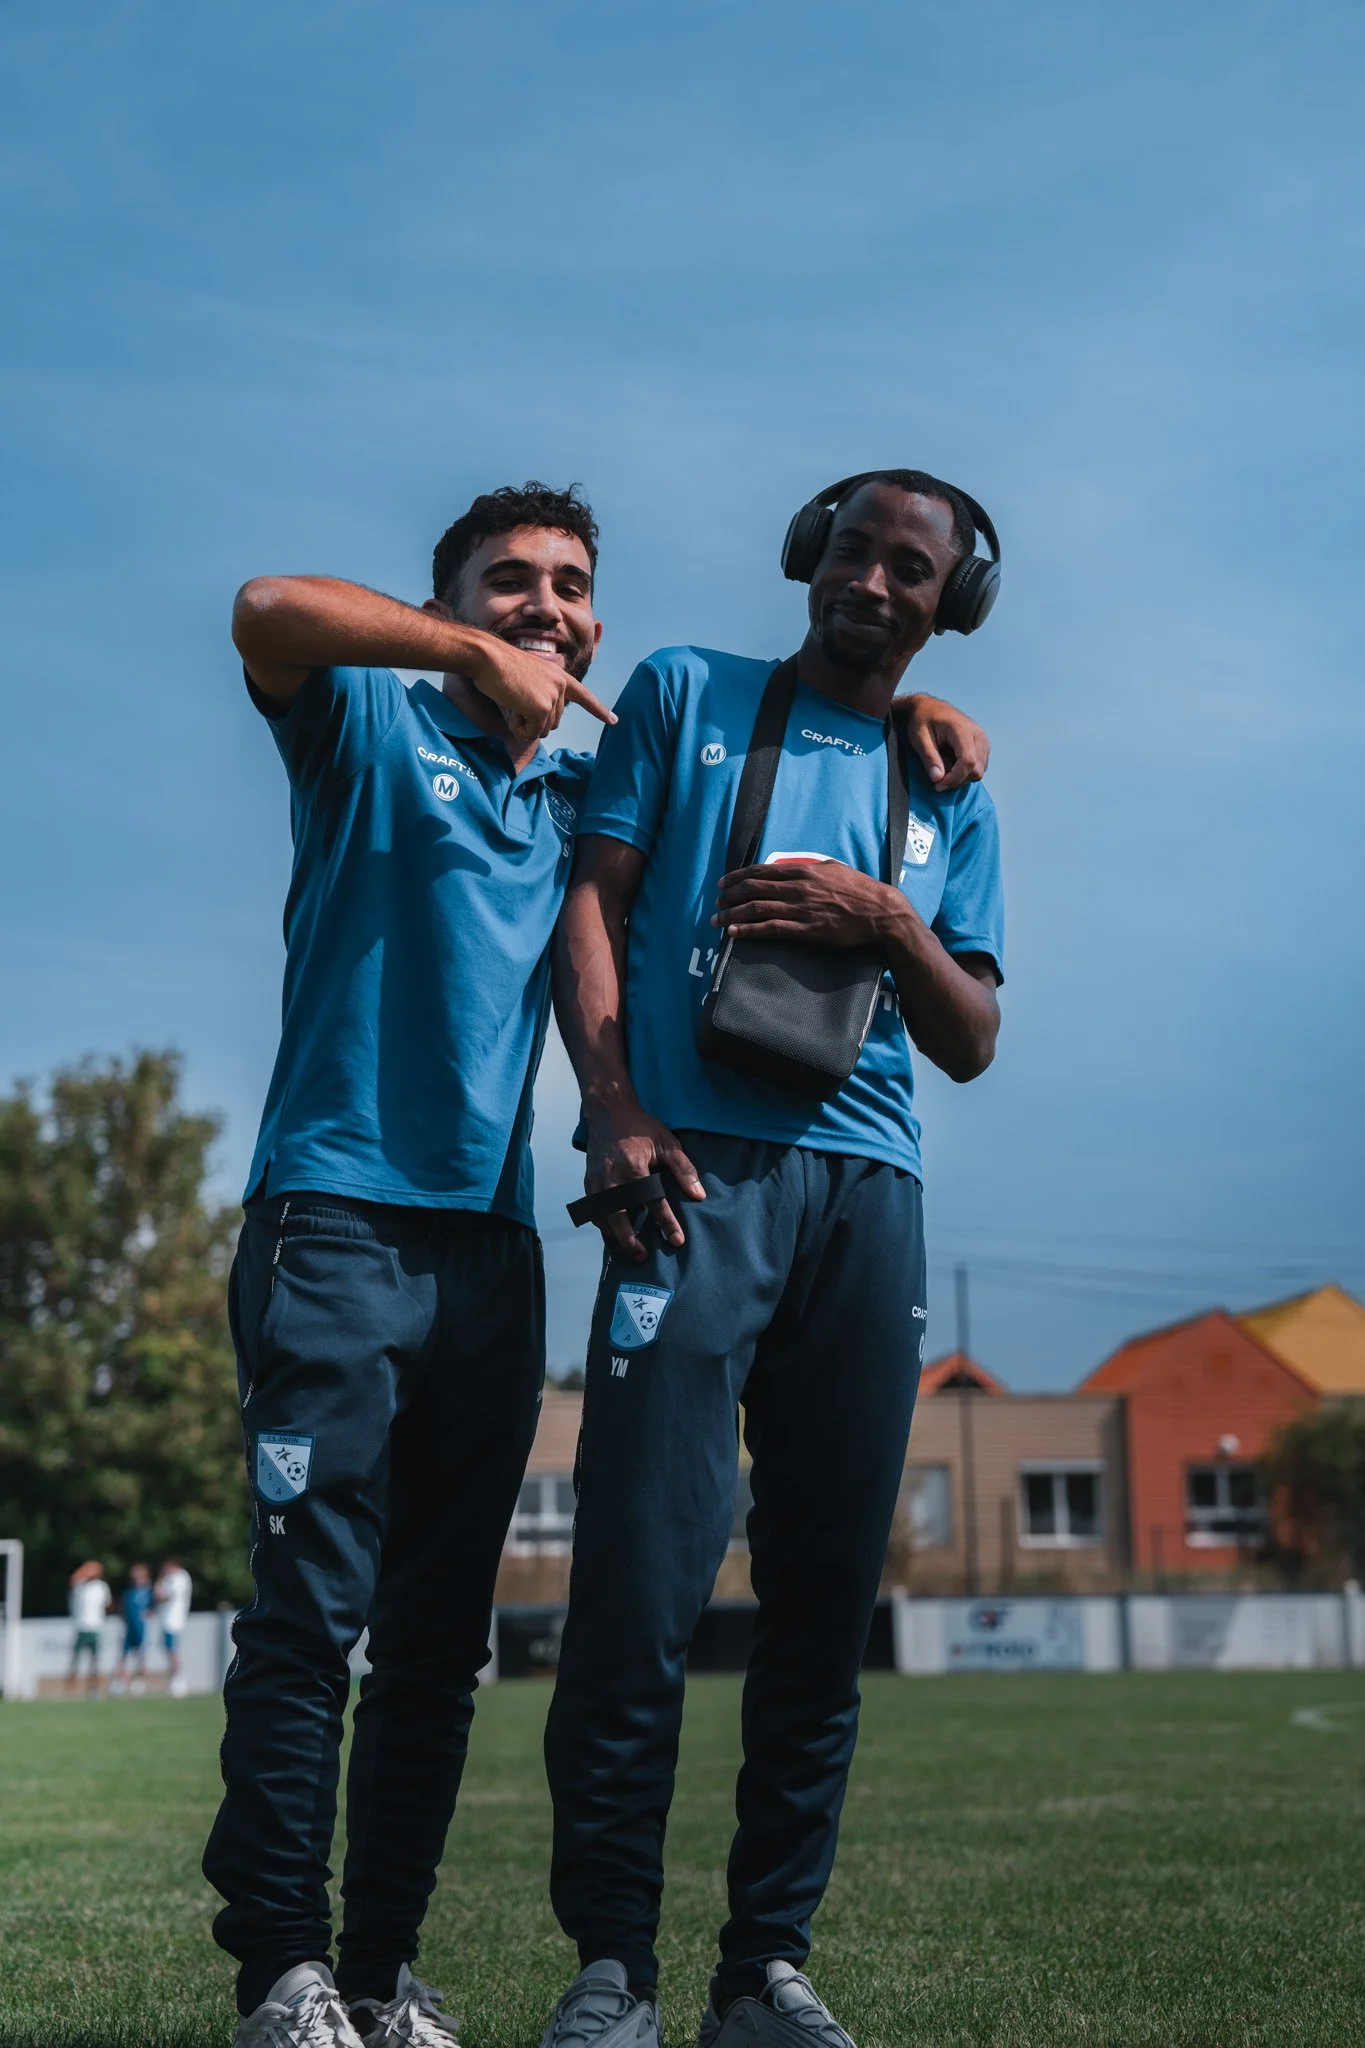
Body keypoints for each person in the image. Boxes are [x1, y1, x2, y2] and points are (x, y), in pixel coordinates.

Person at [201, 479, 986, 2048]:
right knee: (309, 1616)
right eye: (509, 582)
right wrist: (456, 651)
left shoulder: (575, 790)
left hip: (494, 1250)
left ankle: (381, 1978)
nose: (542, 609)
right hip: (335, 1219)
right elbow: (265, 611)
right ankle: (282, 1971)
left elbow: (625, 907)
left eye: (567, 588)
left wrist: (914, 709)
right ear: (447, 604)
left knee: (437, 1646)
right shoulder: (366, 725)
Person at [542, 469, 1006, 2048]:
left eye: (910, 567)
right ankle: (613, 1968)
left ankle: (763, 1972)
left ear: (950, 604)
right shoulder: (684, 693)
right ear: (810, 555)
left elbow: (973, 1037)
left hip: (870, 1196)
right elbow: (591, 904)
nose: (872, 580)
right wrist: (611, 1106)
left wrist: (889, 920)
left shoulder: (948, 788)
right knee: (638, 1582)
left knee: (821, 1603)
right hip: (690, 1173)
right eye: (852, 548)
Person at [67, 1560, 111, 1696]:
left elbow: (107, 1604)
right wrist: (86, 1568)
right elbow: (73, 1578)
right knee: (76, 1660)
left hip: (95, 1627)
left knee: (95, 1661)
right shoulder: (80, 1585)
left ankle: (93, 1687)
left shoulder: (102, 1587)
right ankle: (71, 1689)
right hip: (81, 1626)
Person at [112, 1563, 155, 1694]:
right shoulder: (129, 1592)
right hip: (129, 1629)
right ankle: (119, 1682)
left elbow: (153, 1608)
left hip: (142, 1629)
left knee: (141, 1658)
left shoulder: (149, 1592)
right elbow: (124, 1610)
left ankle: (139, 1682)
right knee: (123, 1656)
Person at [156, 1557, 193, 1696]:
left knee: (173, 1651)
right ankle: (174, 1679)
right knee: (170, 1650)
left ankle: (178, 1680)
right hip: (168, 1620)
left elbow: (163, 1596)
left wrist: (159, 1583)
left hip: (173, 1621)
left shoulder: (179, 1578)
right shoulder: (172, 1578)